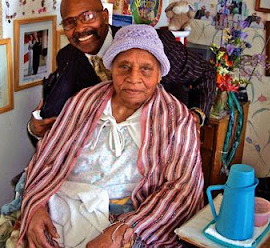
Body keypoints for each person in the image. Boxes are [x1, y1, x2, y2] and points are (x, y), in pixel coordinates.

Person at [18, 24, 204, 247]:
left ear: (159, 75)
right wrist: (36, 206)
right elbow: (48, 156)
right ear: (111, 69)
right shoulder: (84, 100)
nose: (133, 78)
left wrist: (124, 230)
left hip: (131, 217)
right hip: (63, 202)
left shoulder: (177, 119)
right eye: (124, 66)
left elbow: (182, 188)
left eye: (146, 69)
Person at [27, 0, 216, 141]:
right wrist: (35, 129)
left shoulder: (151, 45)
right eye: (70, 23)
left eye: (88, 17)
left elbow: (205, 73)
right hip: (110, 159)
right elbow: (61, 118)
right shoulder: (68, 58)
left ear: (105, 16)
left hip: (164, 144)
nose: (80, 29)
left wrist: (196, 116)